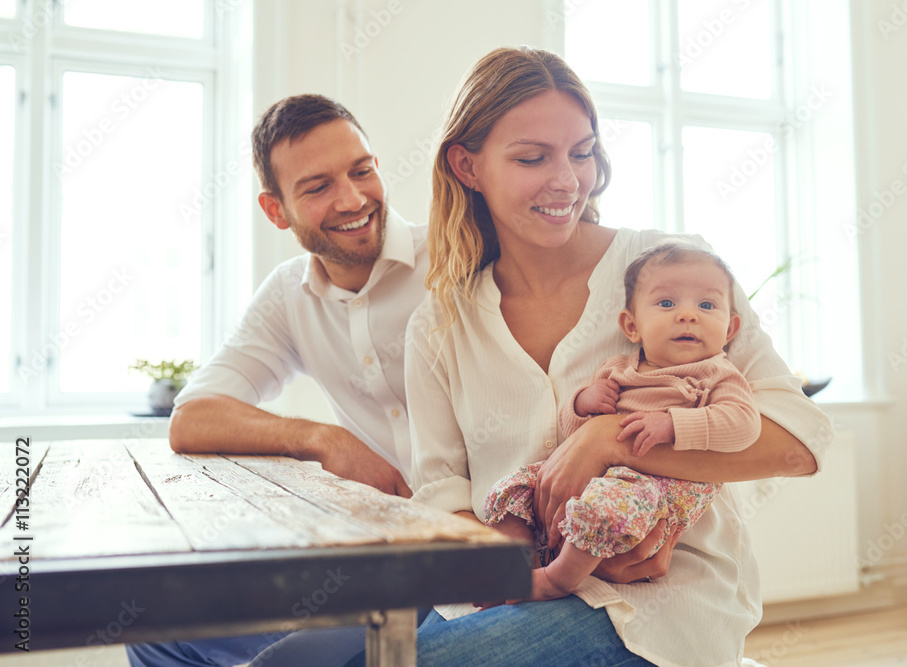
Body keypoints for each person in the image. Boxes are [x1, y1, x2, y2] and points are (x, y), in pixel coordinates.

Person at [391, 46, 833, 666]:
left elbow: (800, 440)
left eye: (582, 152)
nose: (567, 180)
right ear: (467, 166)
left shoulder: (670, 273)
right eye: (531, 157)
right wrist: (504, 552)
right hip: (507, 594)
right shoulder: (441, 321)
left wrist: (614, 440)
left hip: (659, 598)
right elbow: (442, 488)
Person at [126, 94, 428, 666]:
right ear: (276, 210)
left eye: (361, 170)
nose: (354, 198)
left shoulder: (453, 259)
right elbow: (193, 417)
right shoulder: (290, 292)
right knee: (156, 628)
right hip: (371, 557)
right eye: (317, 187)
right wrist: (322, 439)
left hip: (463, 557)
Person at [484, 241, 761, 603]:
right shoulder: (617, 369)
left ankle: (556, 580)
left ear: (729, 329)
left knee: (608, 504)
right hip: (600, 474)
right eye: (667, 303)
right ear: (632, 326)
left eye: (706, 305)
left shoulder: (717, 374)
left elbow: (744, 423)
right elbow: (575, 436)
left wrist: (673, 424)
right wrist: (583, 404)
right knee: (515, 484)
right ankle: (520, 564)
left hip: (660, 483)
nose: (688, 315)